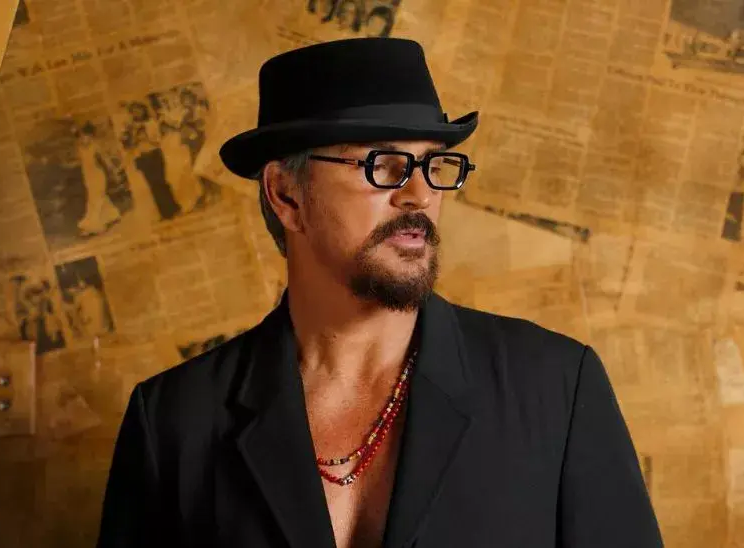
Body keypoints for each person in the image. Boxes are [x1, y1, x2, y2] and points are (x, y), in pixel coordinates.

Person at [97, 37, 663, 548]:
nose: (419, 194)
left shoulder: (556, 388)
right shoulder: (174, 420)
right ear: (286, 194)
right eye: (382, 165)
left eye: (434, 164)